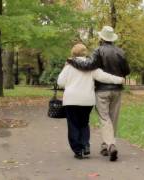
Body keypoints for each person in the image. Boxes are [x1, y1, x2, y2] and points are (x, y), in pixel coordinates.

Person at [67, 26, 130, 161]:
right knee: (113, 118)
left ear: (102, 38)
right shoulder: (121, 52)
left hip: (102, 90)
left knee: (104, 118)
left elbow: (88, 66)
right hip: (117, 89)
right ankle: (105, 145)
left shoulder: (98, 50)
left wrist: (73, 61)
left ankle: (110, 144)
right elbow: (127, 71)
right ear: (112, 38)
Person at [57, 43, 124, 159]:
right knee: (84, 123)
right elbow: (104, 76)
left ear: (73, 53)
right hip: (87, 100)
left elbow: (60, 83)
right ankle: (85, 146)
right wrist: (119, 79)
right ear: (85, 53)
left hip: (71, 100)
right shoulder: (91, 67)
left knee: (73, 125)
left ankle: (78, 150)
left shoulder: (68, 67)